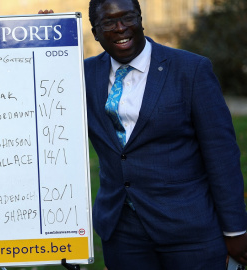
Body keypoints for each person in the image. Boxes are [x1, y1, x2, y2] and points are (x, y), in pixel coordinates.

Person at [81, 0, 247, 269]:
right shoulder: (83, 75)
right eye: (108, 23)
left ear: (140, 18)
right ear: (95, 31)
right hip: (122, 230)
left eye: (128, 18)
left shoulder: (190, 70)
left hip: (189, 229)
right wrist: (49, 34)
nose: (121, 28)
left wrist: (235, 229)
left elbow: (221, 155)